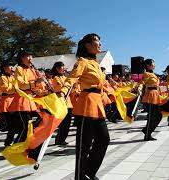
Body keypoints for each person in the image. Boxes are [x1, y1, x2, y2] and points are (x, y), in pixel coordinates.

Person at [61, 33, 110, 180]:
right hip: (86, 104)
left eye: (100, 41)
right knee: (84, 145)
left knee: (104, 139)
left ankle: (89, 171)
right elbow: (71, 79)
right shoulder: (82, 62)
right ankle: (79, 176)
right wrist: (62, 94)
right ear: (87, 45)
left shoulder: (96, 63)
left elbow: (102, 84)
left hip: (97, 104)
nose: (100, 44)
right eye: (97, 41)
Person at [138, 59, 163, 141]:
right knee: (151, 117)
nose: (154, 65)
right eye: (153, 63)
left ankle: (146, 130)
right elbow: (142, 82)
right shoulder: (146, 74)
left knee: (159, 116)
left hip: (156, 96)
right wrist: (140, 89)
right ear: (148, 65)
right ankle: (147, 135)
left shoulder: (154, 74)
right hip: (150, 96)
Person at [51, 61, 73, 146]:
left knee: (68, 122)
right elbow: (58, 88)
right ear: (57, 69)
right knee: (63, 122)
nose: (64, 69)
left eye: (64, 67)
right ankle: (59, 139)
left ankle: (62, 138)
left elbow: (70, 89)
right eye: (62, 67)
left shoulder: (65, 77)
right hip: (61, 100)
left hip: (68, 102)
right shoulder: (55, 78)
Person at [0, 61, 16, 147]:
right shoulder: (2, 77)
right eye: (10, 66)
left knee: (14, 125)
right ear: (4, 68)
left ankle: (9, 141)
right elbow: (6, 89)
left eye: (12, 66)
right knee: (11, 125)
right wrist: (16, 88)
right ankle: (8, 142)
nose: (12, 67)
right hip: (6, 102)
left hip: (14, 101)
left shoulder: (13, 76)